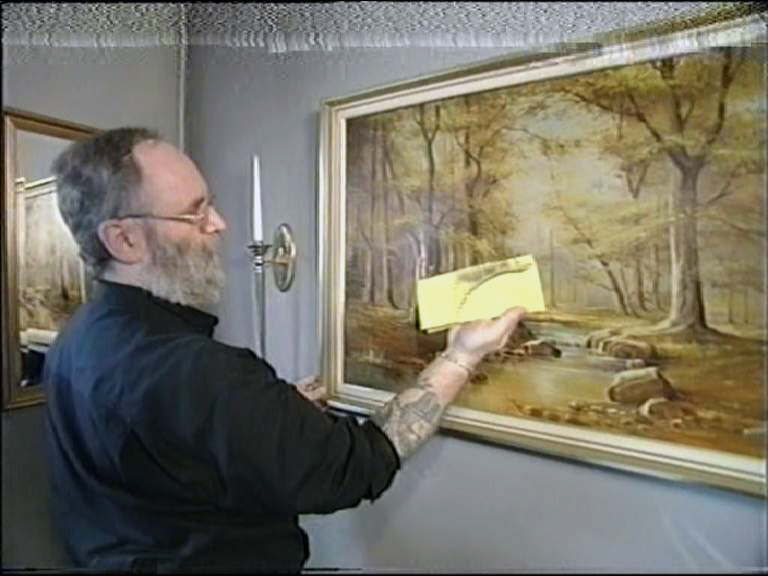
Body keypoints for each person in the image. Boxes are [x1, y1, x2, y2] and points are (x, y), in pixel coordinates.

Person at [43, 127, 526, 573]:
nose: (219, 224)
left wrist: (261, 415)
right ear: (124, 239)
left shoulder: (77, 336)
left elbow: (163, 445)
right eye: (195, 212)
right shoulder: (197, 371)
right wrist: (461, 355)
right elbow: (355, 467)